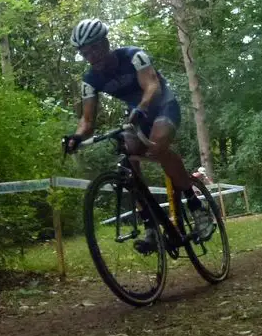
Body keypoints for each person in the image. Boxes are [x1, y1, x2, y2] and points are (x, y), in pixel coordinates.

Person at [62, 18, 214, 252]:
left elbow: (152, 86)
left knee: (156, 146)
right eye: (85, 52)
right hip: (137, 113)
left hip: (162, 104)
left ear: (106, 42)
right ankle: (151, 225)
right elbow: (88, 120)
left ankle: (196, 207)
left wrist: (142, 108)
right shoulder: (90, 80)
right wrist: (76, 137)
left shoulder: (134, 56)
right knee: (129, 160)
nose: (91, 56)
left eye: (95, 48)